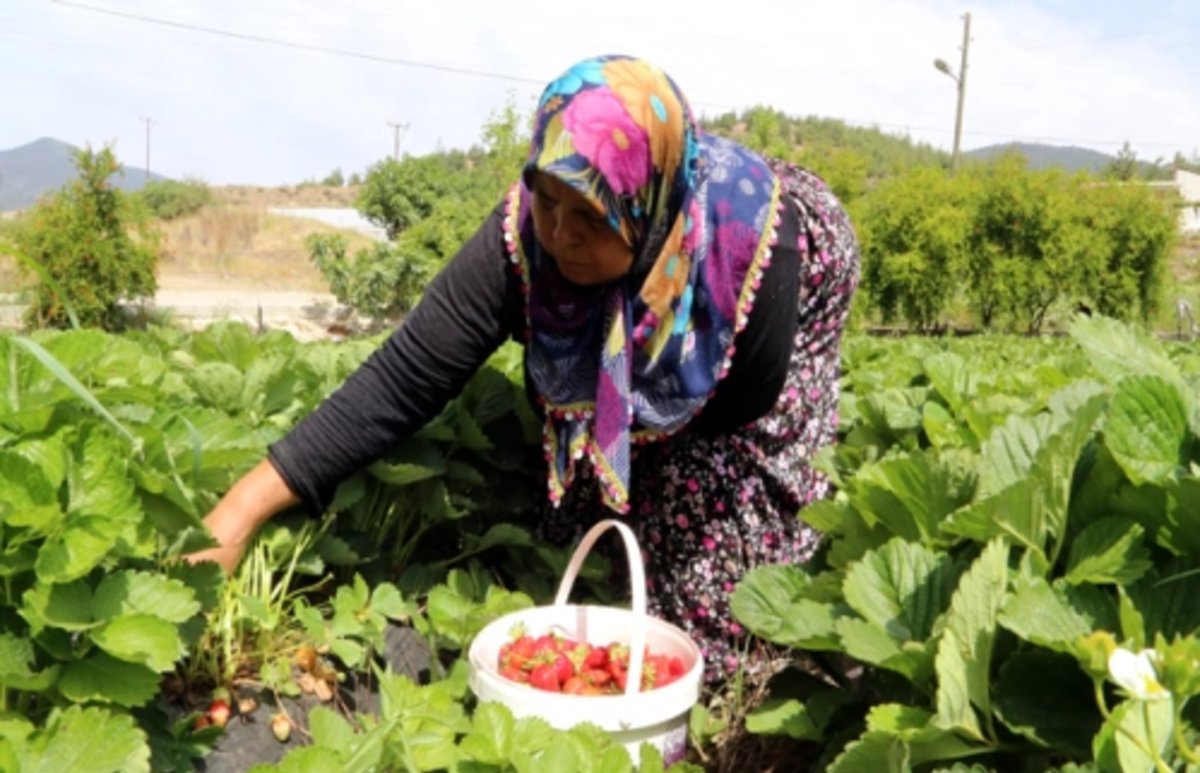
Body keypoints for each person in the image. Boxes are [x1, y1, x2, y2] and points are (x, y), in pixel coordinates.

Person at [193, 55, 861, 682]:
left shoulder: (750, 259)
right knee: (574, 539)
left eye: (592, 218)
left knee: (712, 586)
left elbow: (738, 407)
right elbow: (409, 373)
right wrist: (243, 507)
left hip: (752, 331)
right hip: (651, 246)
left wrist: (634, 449)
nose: (562, 235)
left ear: (644, 214)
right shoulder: (522, 235)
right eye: (549, 202)